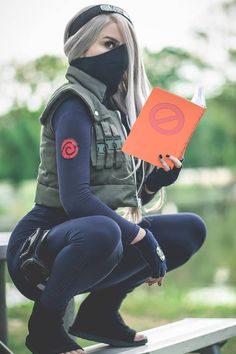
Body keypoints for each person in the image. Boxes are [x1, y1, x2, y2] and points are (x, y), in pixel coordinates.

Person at [6, 4, 207, 354]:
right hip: (40, 249)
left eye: (125, 46)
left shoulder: (116, 110)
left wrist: (155, 182)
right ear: (81, 46)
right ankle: (44, 326)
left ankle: (99, 312)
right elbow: (76, 200)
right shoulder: (73, 104)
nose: (120, 55)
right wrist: (143, 238)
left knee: (189, 229)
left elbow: (119, 200)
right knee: (107, 230)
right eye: (109, 44)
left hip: (92, 239)